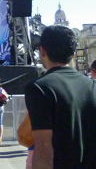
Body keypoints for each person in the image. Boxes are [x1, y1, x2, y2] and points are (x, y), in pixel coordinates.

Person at [25, 25, 96, 168]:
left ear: (42, 51)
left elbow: (44, 147)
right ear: (73, 54)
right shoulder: (92, 86)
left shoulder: (39, 88)